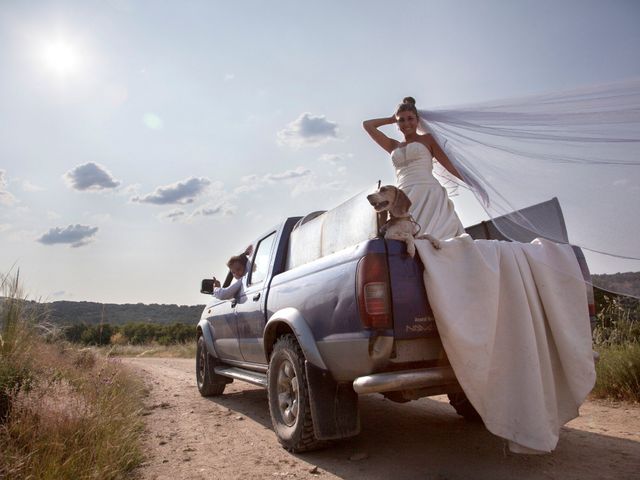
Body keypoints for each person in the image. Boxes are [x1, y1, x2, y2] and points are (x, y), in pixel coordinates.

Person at [363, 97, 465, 240]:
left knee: (437, 238)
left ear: (418, 120)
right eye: (401, 120)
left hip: (429, 194)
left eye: (410, 118)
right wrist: (391, 119)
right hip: (402, 198)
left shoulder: (428, 139)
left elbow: (449, 165)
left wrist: (474, 183)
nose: (406, 123)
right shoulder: (393, 145)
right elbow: (367, 125)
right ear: (397, 124)